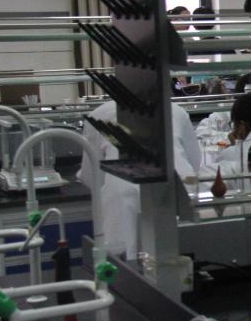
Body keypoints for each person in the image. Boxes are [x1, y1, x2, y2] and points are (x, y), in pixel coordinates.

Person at [79, 100, 202, 259]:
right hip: (173, 187)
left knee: (125, 264)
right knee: (174, 259)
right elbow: (194, 162)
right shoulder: (176, 110)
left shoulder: (99, 113)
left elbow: (91, 177)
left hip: (123, 190)